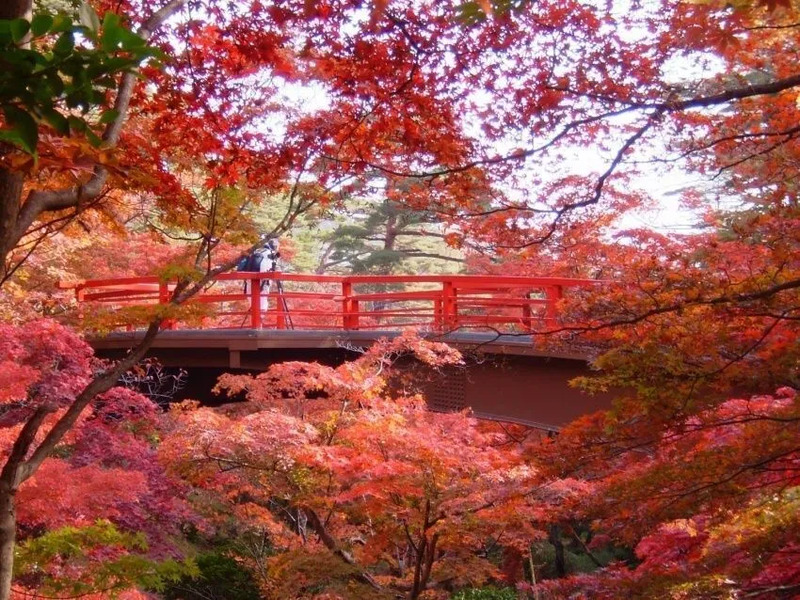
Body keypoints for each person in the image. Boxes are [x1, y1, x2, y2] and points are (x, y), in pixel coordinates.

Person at [242, 238, 280, 312]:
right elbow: (267, 269)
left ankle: (256, 321)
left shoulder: (257, 251)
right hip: (262, 281)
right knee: (262, 302)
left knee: (253, 301)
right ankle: (259, 322)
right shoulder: (269, 254)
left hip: (249, 280)